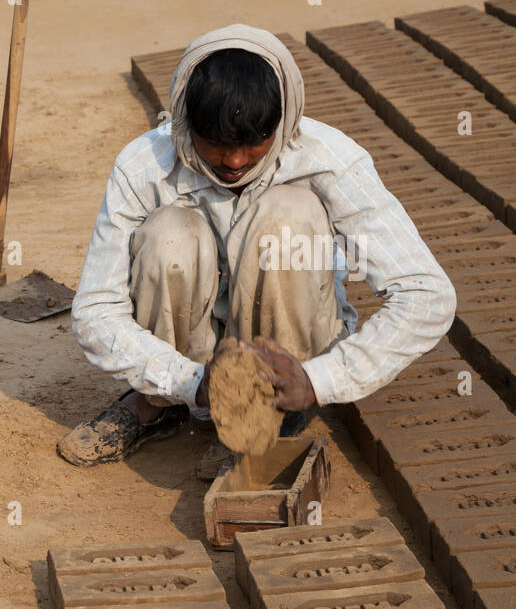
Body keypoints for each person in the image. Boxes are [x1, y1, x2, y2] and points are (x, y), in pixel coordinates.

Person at [59, 24, 456, 469]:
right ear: (185, 124)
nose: (234, 161)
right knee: (169, 233)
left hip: (294, 354)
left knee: (287, 217)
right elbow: (95, 310)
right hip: (186, 364)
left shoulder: (331, 161)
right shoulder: (142, 167)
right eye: (216, 144)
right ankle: (157, 404)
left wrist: (320, 379)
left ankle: (281, 404)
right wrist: (188, 381)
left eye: (253, 143)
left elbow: (426, 294)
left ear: (283, 121)